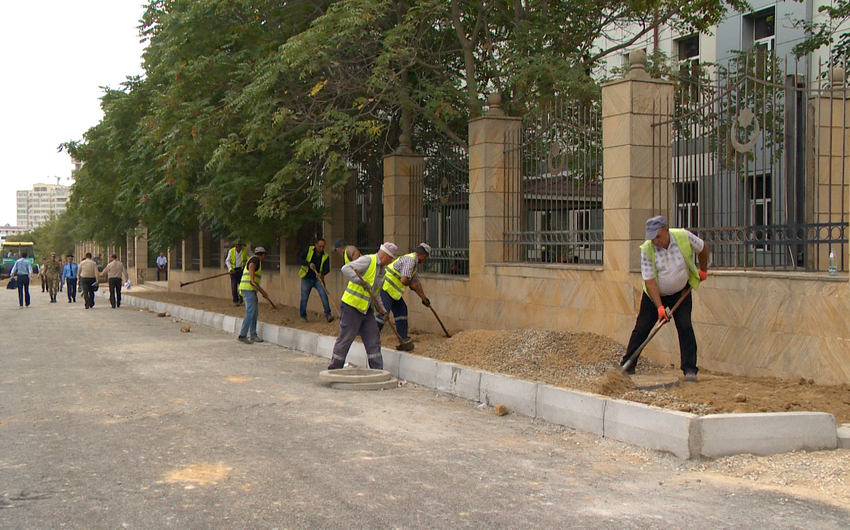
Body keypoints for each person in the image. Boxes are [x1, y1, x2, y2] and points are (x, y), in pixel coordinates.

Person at [620, 216, 709, 382]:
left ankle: (690, 370)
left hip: (681, 293)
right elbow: (650, 282)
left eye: (658, 236)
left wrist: (703, 270)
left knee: (685, 327)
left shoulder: (684, 236)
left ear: (666, 230)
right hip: (654, 296)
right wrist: (659, 307)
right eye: (652, 237)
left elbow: (702, 249)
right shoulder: (647, 249)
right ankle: (627, 366)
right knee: (642, 328)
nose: (655, 240)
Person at [327, 242, 397, 370]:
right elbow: (346, 268)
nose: (391, 261)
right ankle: (334, 369)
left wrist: (383, 310)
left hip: (367, 310)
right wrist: (360, 280)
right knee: (346, 338)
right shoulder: (367, 260)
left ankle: (377, 370)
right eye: (391, 258)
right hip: (352, 306)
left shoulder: (382, 271)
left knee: (373, 338)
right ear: (386, 256)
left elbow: (376, 294)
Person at [376, 243, 432, 343]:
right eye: (425, 258)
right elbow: (404, 280)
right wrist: (411, 284)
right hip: (386, 288)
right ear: (423, 256)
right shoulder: (410, 260)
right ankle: (372, 336)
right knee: (384, 313)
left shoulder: (414, 265)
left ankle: (403, 337)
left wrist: (424, 298)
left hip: (394, 293)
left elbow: (416, 284)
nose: (424, 261)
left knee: (402, 310)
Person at [237, 246, 270, 344]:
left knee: (254, 312)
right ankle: (242, 335)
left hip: (250, 289)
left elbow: (256, 283)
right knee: (250, 311)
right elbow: (251, 267)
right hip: (248, 289)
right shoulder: (255, 260)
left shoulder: (253, 259)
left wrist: (264, 293)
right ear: (263, 255)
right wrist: (252, 280)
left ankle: (253, 334)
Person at [297, 239, 333, 323]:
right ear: (316, 245)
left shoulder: (325, 256)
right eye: (320, 246)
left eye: (323, 247)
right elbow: (299, 259)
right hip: (306, 278)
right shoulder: (308, 250)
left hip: (318, 279)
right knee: (304, 297)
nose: (321, 248)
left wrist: (321, 273)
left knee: (324, 295)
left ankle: (328, 314)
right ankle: (303, 315)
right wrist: (308, 264)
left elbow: (327, 269)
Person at [226, 241, 248, 306]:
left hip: (241, 270)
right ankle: (235, 300)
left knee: (241, 285)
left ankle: (240, 297)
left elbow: (249, 257)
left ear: (241, 246)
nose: (237, 247)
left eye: (238, 246)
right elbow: (227, 261)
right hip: (233, 270)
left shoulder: (245, 250)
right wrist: (230, 268)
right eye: (236, 246)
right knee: (234, 285)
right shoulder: (231, 251)